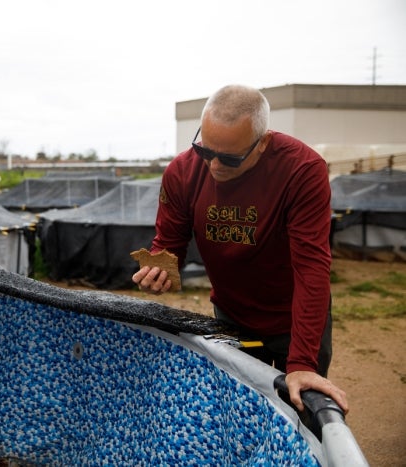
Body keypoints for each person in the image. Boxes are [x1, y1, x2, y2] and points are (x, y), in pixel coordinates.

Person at [132, 84, 349, 414]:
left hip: (295, 315)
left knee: (300, 413)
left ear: (262, 143)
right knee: (239, 409)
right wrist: (159, 270)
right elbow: (169, 244)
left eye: (230, 157)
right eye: (206, 150)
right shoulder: (182, 171)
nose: (214, 165)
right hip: (232, 315)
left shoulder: (302, 170)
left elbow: (311, 267)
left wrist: (302, 361)